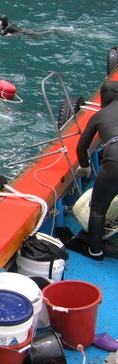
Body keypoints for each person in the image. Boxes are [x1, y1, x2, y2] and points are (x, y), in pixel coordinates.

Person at [68, 81, 118, 261]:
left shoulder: (100, 116)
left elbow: (82, 148)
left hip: (114, 160)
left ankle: (95, 251)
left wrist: (85, 166)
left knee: (98, 209)